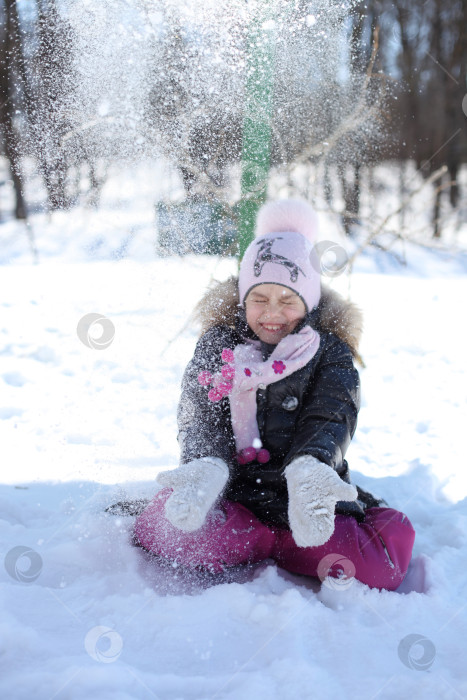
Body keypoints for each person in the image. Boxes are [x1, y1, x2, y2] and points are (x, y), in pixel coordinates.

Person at [134, 199, 415, 591]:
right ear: (242, 299)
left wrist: (309, 468)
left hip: (307, 503)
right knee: (163, 530)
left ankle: (293, 537)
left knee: (380, 565)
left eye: (288, 300)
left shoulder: (328, 353)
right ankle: (269, 543)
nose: (272, 313)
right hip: (233, 498)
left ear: (310, 301)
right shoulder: (219, 346)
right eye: (259, 299)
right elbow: (199, 413)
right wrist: (206, 464)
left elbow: (331, 417)